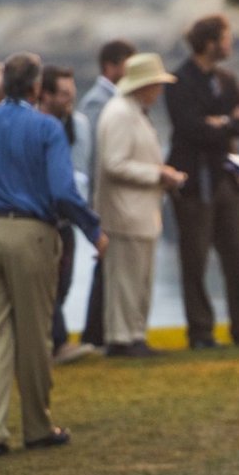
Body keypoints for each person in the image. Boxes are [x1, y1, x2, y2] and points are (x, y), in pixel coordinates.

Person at [0, 52, 108, 457]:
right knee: (34, 335)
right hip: (30, 232)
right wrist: (92, 229)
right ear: (37, 87)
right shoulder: (47, 127)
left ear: (4, 84)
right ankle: (37, 425)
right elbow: (62, 191)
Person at [165, 14, 239, 349]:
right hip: (194, 184)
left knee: (237, 258)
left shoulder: (226, 79)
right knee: (195, 259)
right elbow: (191, 128)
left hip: (226, 181)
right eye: (225, 38)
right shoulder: (178, 82)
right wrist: (227, 121)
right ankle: (201, 332)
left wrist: (219, 123)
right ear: (210, 43)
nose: (229, 44)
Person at [95, 53, 187, 357]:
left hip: (139, 210)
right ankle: (122, 338)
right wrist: (157, 174)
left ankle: (133, 335)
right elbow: (113, 163)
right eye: (156, 85)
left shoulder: (133, 111)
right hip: (125, 211)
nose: (159, 91)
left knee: (138, 279)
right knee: (126, 279)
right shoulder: (121, 113)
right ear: (143, 85)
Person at [78, 39, 138, 348]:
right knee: (106, 264)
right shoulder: (96, 101)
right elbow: (92, 155)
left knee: (111, 265)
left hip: (112, 196)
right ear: (110, 67)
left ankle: (99, 331)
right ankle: (95, 332)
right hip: (102, 196)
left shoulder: (118, 100)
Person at [38, 65, 96, 365]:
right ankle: (56, 342)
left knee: (64, 282)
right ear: (44, 94)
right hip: (41, 217)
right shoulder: (37, 125)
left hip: (68, 215)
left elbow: (84, 170)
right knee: (46, 283)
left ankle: (51, 341)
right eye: (63, 94)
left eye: (72, 94)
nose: (69, 100)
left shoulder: (79, 125)